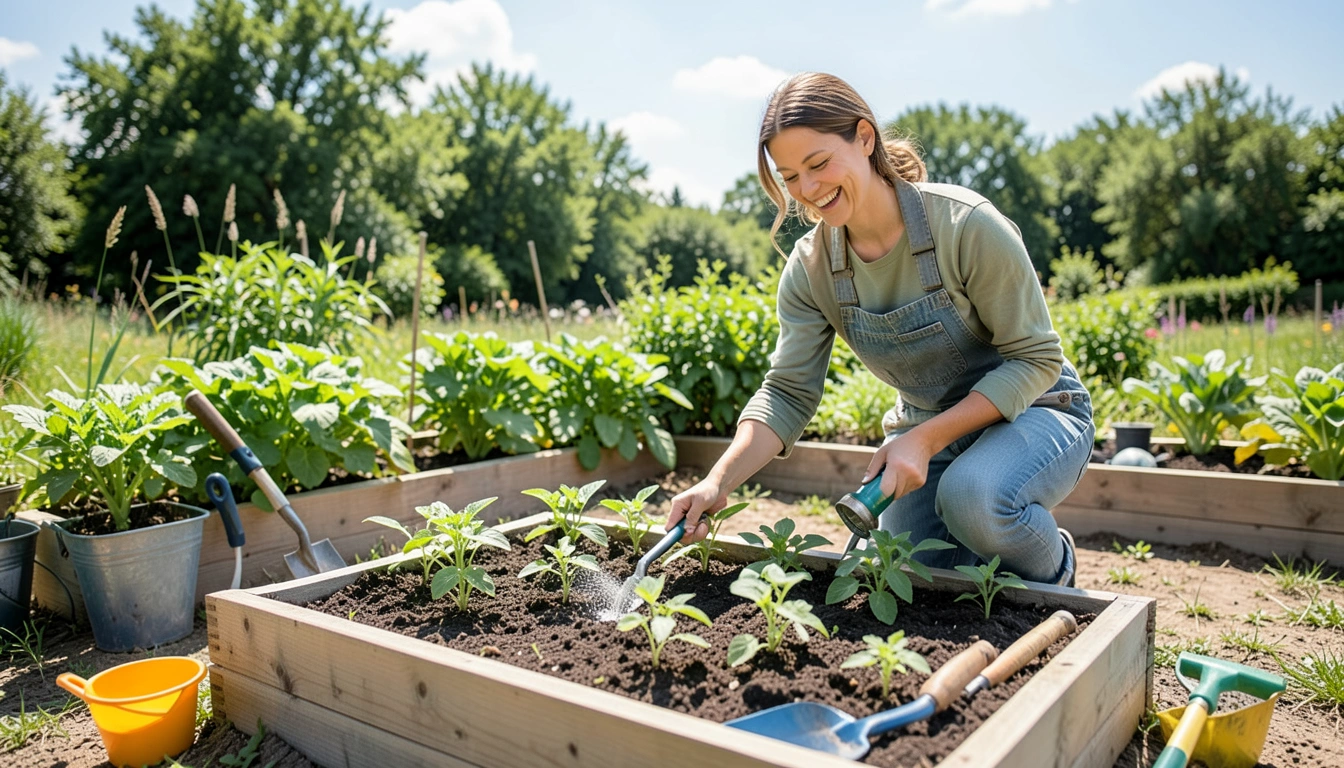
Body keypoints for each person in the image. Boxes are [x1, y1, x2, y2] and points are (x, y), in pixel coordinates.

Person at [666, 72, 1093, 587]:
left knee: (974, 499)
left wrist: (926, 440)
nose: (808, 190)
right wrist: (718, 481)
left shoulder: (965, 225)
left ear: (864, 139)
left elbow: (1036, 360)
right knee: (911, 571)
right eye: (790, 177)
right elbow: (786, 392)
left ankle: (1058, 568)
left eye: (819, 164)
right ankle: (998, 551)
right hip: (926, 428)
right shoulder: (812, 268)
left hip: (1040, 409)